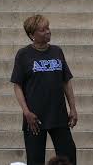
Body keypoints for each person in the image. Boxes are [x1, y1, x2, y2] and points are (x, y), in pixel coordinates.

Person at [11, 15, 77, 165]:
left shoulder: (57, 51)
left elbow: (66, 82)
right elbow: (17, 86)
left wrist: (72, 108)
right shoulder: (23, 55)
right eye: (43, 30)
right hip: (34, 119)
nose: (48, 31)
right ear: (32, 35)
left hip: (58, 115)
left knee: (69, 156)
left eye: (48, 28)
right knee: (35, 160)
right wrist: (26, 112)